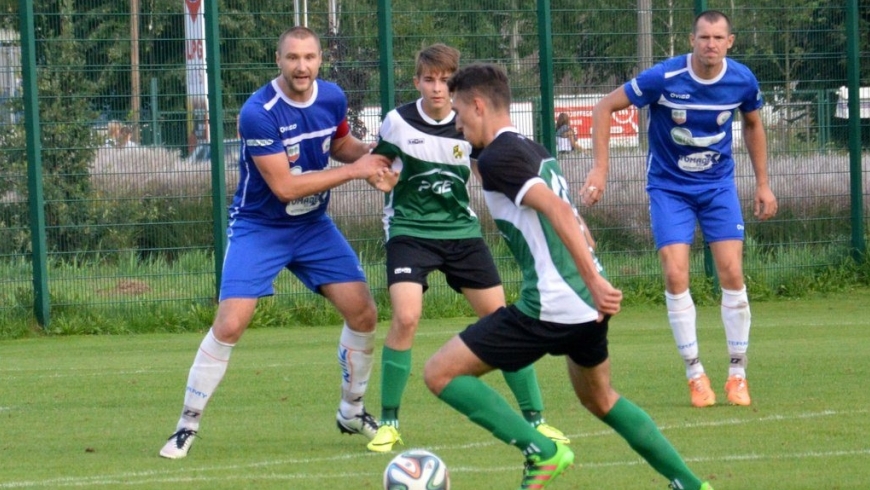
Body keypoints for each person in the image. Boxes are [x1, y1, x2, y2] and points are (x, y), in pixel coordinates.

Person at [423, 62, 714, 490]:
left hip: (556, 302)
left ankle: (541, 449)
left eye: (460, 114)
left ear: (479, 105)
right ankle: (692, 484)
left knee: (440, 373)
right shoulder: (532, 148)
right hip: (585, 303)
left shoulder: (501, 156)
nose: (458, 124)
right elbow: (570, 217)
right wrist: (593, 276)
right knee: (601, 399)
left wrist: (594, 283)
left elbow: (558, 210)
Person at [159, 26, 394, 459]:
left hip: (313, 227)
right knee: (230, 323)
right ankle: (186, 425)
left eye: (309, 57)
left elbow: (340, 144)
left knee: (363, 312)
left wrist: (381, 157)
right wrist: (357, 171)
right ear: (278, 59)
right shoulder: (257, 112)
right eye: (292, 58)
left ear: (320, 59)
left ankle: (352, 411)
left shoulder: (332, 98)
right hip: (259, 227)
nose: (301, 66)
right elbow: (285, 188)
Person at [365, 44, 568, 453]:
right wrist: (382, 180)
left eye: (444, 80)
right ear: (416, 82)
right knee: (406, 317)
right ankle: (388, 422)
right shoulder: (397, 122)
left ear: (454, 83)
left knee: (501, 318)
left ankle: (537, 420)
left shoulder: (466, 125)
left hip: (461, 232)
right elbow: (379, 164)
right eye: (429, 80)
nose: (437, 88)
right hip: (410, 230)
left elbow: (486, 168)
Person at [581, 10, 777, 408]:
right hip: (669, 188)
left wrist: (763, 183)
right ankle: (695, 374)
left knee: (733, 271)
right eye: (704, 37)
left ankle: (737, 375)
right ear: (692, 40)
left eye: (718, 38)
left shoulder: (742, 79)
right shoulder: (664, 78)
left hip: (718, 186)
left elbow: (754, 125)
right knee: (674, 273)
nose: (711, 45)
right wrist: (600, 170)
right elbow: (604, 108)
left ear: (730, 41)